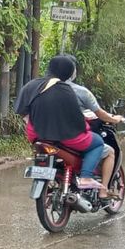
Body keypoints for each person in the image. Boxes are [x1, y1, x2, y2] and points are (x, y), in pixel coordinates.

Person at [14, 55, 110, 197]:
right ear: (69, 72)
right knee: (97, 143)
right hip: (65, 136)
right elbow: (74, 118)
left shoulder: (30, 85)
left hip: (36, 135)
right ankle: (85, 177)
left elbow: (21, 110)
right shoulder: (65, 90)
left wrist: (35, 123)